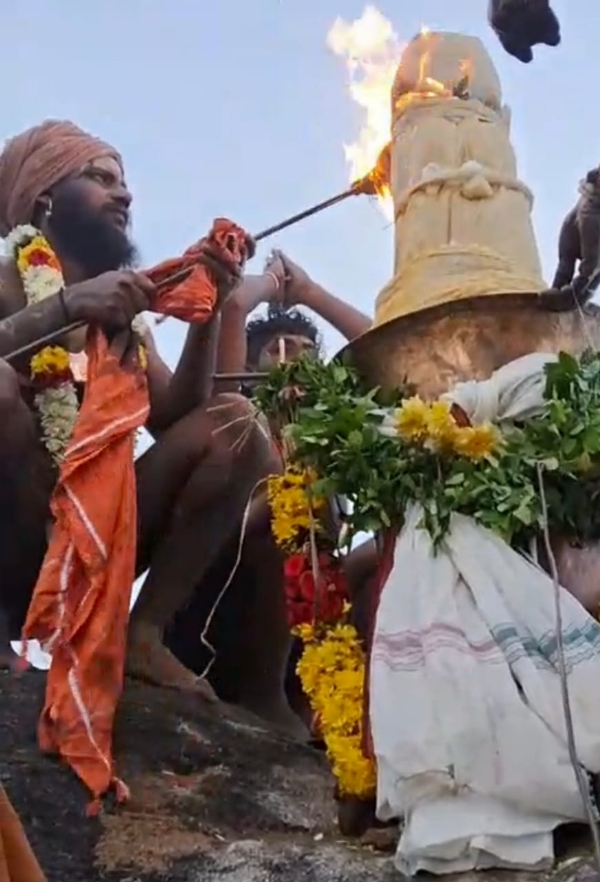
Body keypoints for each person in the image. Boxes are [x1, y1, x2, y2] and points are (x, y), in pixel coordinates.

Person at [0, 120, 284, 719]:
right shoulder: (9, 279)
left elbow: (178, 414)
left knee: (236, 425)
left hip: (101, 535)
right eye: (101, 178)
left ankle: (143, 634)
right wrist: (67, 306)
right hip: (21, 534)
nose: (124, 194)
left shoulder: (124, 315)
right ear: (45, 199)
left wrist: (211, 301)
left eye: (124, 182)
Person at [166, 250, 378, 732]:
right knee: (299, 501)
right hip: (222, 583)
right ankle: (265, 693)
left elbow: (382, 350)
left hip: (310, 599)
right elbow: (235, 305)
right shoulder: (238, 411)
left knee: (387, 547)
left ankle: (324, 708)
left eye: (306, 351)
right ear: (251, 363)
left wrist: (311, 294)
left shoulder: (330, 432)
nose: (294, 358)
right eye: (279, 348)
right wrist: (270, 283)